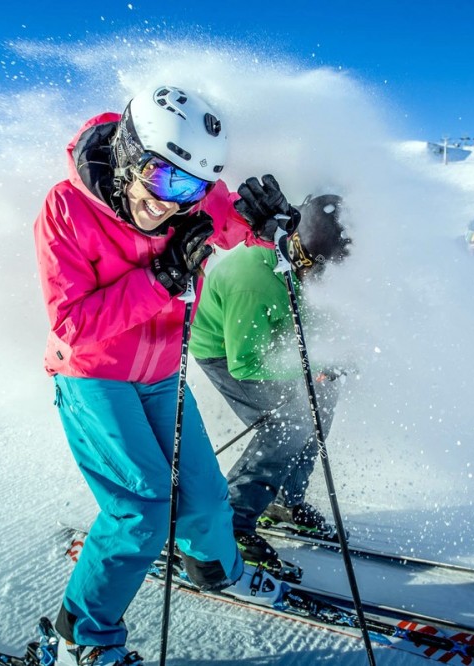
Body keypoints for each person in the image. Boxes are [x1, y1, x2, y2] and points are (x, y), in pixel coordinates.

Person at [33, 84, 302, 666]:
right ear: (129, 153)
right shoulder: (66, 209)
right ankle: (81, 638)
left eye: (191, 190)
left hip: (160, 374)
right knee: (143, 509)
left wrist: (269, 225)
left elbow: (231, 221)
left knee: (205, 495)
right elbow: (71, 323)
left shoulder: (186, 196)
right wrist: (160, 279)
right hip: (94, 377)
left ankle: (216, 568)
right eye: (163, 180)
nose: (171, 203)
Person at [190, 193, 352, 571]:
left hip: (275, 336)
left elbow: (317, 314)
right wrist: (312, 365)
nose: (321, 279)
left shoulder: (308, 260)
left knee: (320, 404)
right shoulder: (252, 281)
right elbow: (245, 364)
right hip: (226, 351)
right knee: (287, 425)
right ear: (297, 249)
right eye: (316, 269)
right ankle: (231, 521)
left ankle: (283, 501)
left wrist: (338, 353)